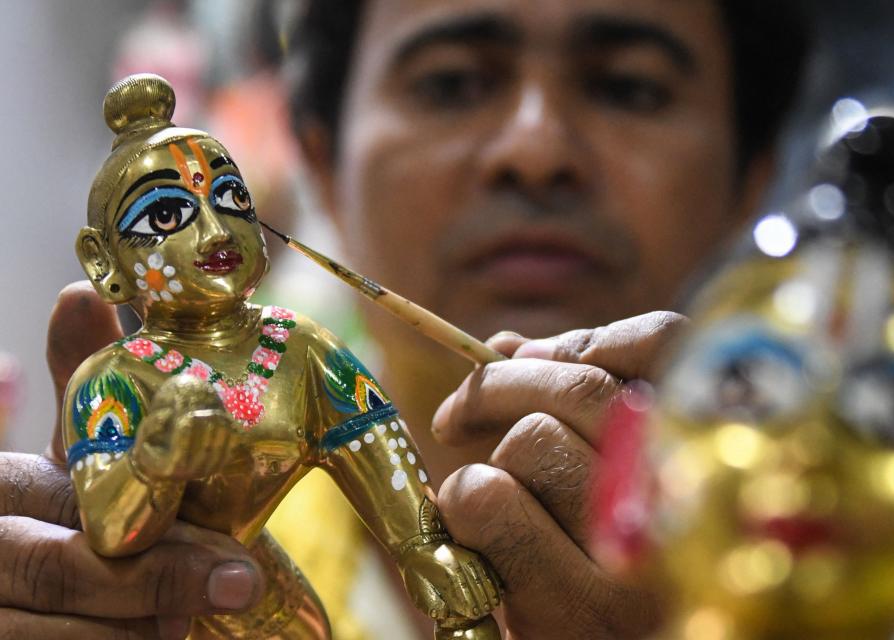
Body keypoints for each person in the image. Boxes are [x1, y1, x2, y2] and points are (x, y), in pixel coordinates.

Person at [0, 0, 806, 638]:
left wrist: (425, 550)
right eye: (452, 82)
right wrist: (148, 470)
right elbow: (110, 505)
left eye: (629, 84)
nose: (535, 150)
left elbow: (370, 439)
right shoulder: (117, 381)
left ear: (755, 178)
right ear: (322, 162)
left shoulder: (876, 540)